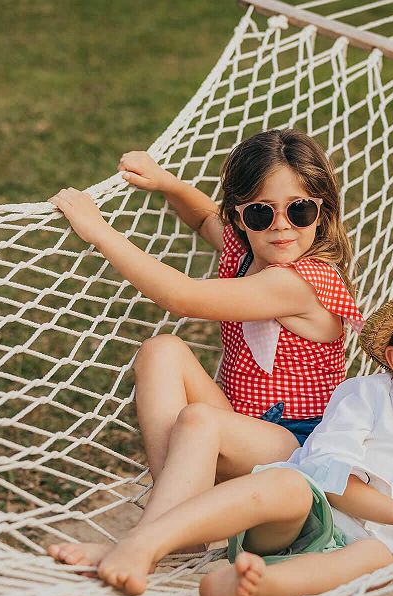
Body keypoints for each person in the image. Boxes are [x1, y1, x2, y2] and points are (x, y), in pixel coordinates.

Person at [85, 260, 393, 596]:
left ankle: (248, 587)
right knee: (288, 481)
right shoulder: (365, 397)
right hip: (297, 521)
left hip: (347, 559)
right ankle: (147, 543)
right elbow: (326, 475)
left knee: (375, 555)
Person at [45, 129, 364, 569]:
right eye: (260, 213)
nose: (281, 225)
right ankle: (178, 530)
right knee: (162, 351)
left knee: (199, 420)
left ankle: (145, 542)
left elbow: (181, 296)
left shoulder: (298, 281)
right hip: (241, 427)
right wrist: (168, 184)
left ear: (321, 211)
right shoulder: (249, 252)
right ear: (239, 216)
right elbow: (201, 219)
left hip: (296, 447)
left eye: (300, 208)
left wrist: (98, 231)